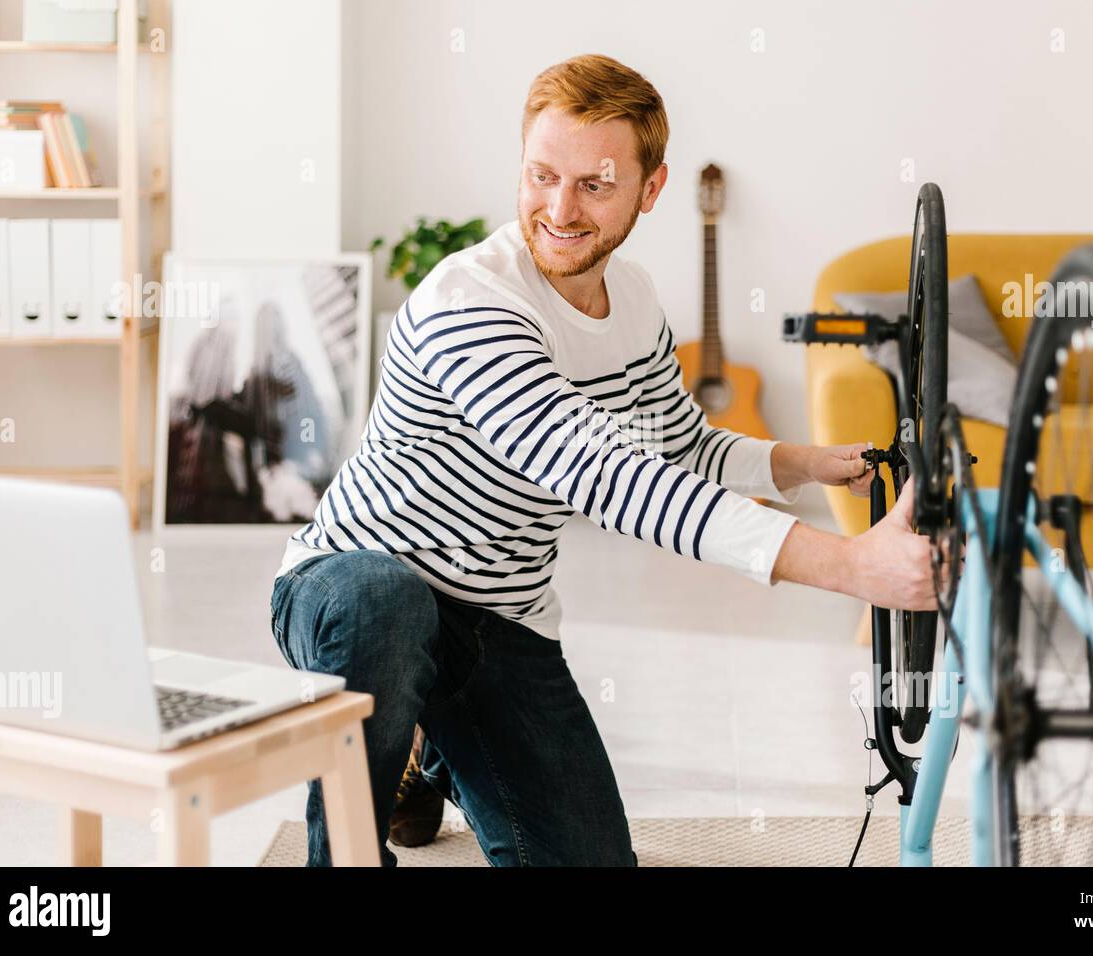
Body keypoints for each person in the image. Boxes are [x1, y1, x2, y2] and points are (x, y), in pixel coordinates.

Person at [268, 53, 936, 867]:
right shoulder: (469, 301)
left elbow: (675, 446)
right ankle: (346, 839)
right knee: (388, 603)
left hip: (496, 619)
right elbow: (599, 471)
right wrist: (848, 567)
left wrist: (804, 462)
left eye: (595, 184)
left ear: (650, 190)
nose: (560, 207)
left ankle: (424, 743)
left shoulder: (638, 303)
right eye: (542, 175)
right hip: (348, 589)